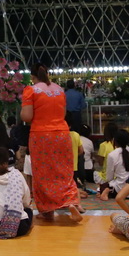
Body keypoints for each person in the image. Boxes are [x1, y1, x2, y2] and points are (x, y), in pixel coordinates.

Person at [20, 63, 82, 222]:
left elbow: (27, 117)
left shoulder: (31, 90)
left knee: (42, 173)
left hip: (41, 135)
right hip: (62, 134)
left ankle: (47, 210)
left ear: (33, 77)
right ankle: (70, 201)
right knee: (64, 170)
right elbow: (62, 113)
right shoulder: (60, 90)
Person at [98, 129, 129, 200]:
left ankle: (107, 191)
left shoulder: (112, 155)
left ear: (115, 141)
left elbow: (109, 177)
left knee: (103, 185)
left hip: (118, 189)